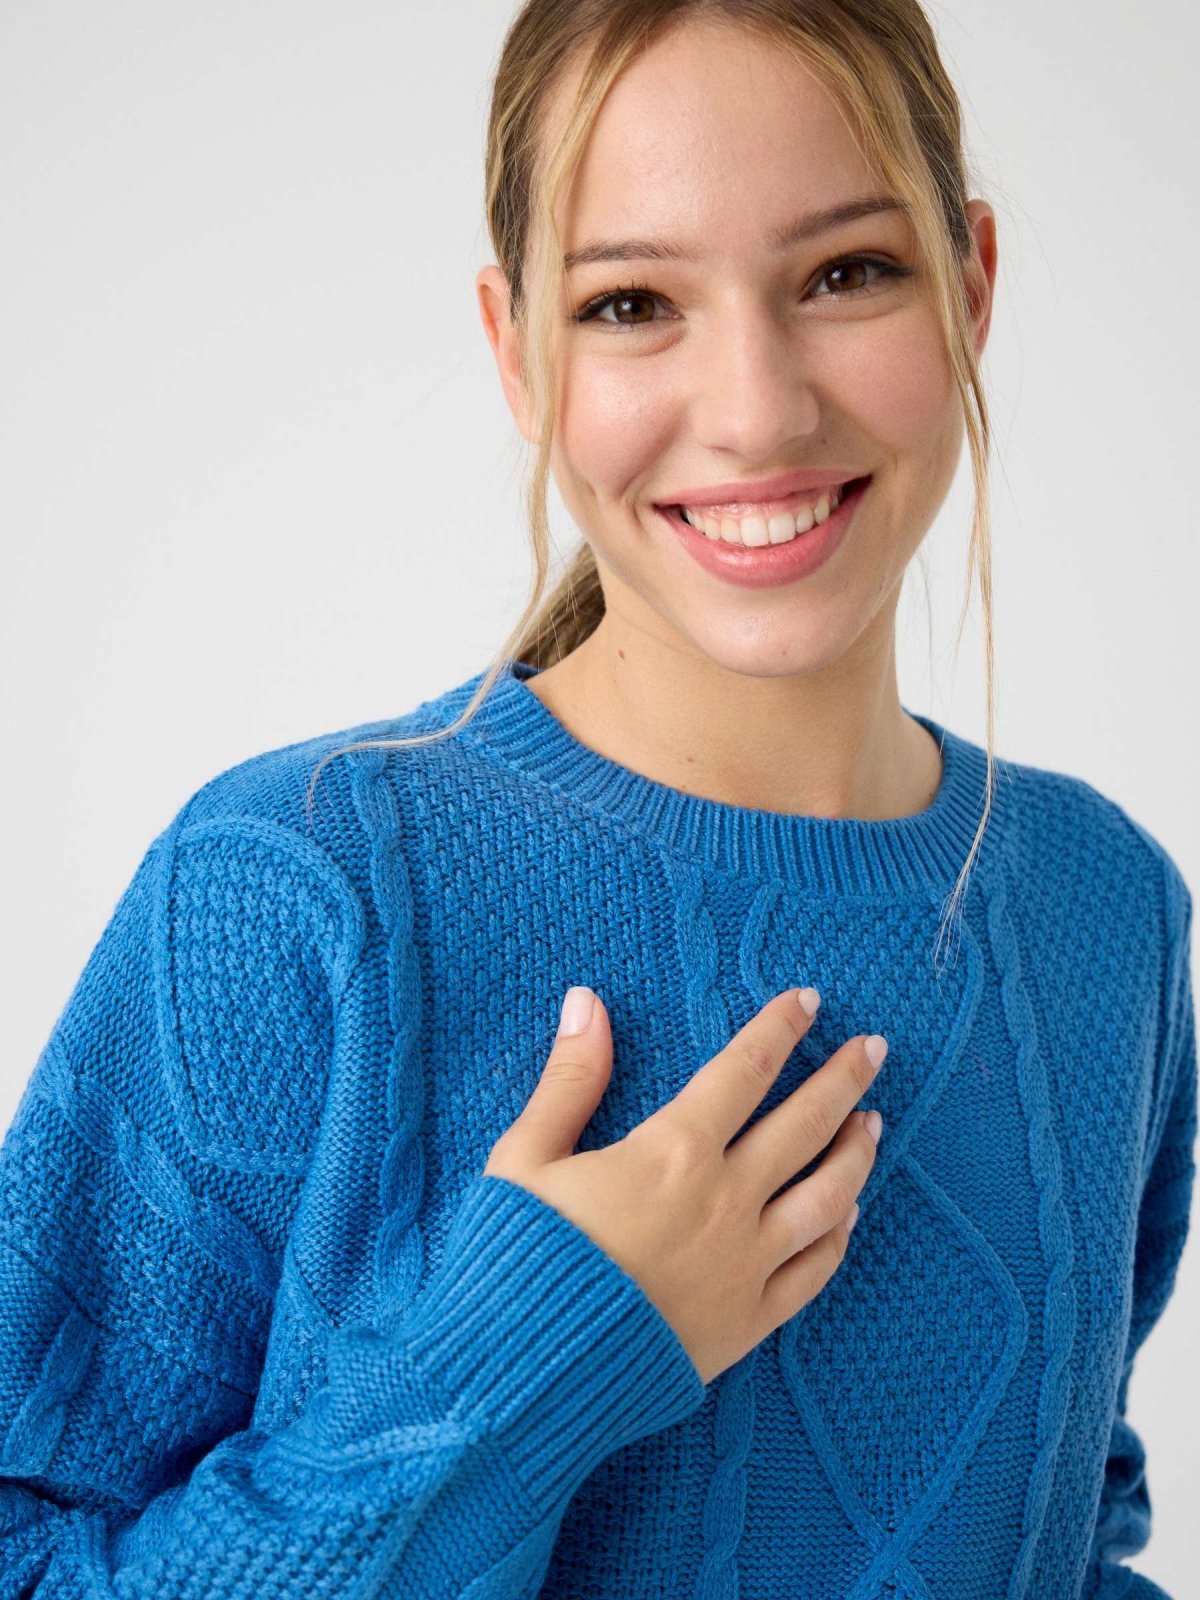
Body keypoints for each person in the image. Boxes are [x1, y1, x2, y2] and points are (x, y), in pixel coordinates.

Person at [0, 1, 1193, 1595]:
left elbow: (1057, 1529)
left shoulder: (1101, 905)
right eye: (633, 302)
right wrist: (521, 1376)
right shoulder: (293, 896)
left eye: (847, 273)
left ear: (971, 283)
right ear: (517, 351)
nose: (758, 410)